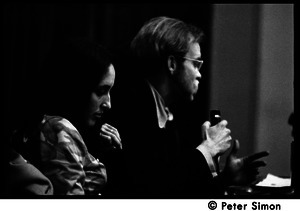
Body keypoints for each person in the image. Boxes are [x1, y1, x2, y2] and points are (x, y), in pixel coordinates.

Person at [110, 16, 268, 198]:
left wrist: (225, 179)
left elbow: (177, 186)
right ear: (172, 64)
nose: (199, 74)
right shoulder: (134, 109)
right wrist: (208, 148)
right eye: (196, 64)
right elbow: (153, 191)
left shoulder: (164, 111)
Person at [19, 37, 121, 195]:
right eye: (101, 91)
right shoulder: (58, 129)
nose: (108, 104)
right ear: (78, 87)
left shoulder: (49, 125)